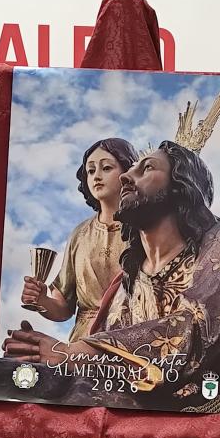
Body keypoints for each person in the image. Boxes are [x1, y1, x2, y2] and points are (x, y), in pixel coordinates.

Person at [3, 139, 220, 408]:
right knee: (16, 384)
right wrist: (38, 361)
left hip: (207, 404)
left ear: (180, 186)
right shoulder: (128, 278)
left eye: (147, 168)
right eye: (130, 170)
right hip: (136, 401)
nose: (127, 176)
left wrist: (72, 354)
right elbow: (109, 366)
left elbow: (194, 327)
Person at [20, 137, 137, 341]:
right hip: (83, 343)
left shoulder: (143, 228)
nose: (96, 176)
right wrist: (41, 299)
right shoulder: (80, 234)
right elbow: (64, 307)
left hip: (131, 337)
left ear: (128, 174)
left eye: (107, 168)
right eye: (91, 171)